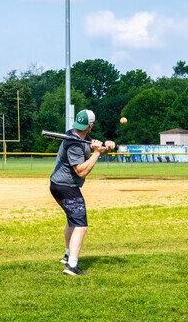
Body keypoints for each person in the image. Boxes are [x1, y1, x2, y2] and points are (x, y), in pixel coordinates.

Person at [49, 109, 115, 275]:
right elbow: (81, 171)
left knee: (73, 220)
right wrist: (97, 153)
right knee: (80, 224)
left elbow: (96, 150)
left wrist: (107, 147)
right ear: (91, 125)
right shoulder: (73, 143)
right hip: (66, 187)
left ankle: (67, 255)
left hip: (59, 185)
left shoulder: (81, 137)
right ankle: (72, 266)